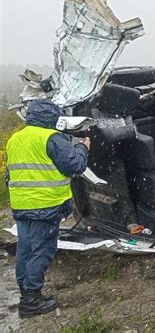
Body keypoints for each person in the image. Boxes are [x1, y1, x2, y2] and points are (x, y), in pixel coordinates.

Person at [5, 99, 89, 318]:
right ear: (52, 116)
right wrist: (82, 147)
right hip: (45, 205)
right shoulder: (51, 138)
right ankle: (31, 301)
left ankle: (27, 293)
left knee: (25, 251)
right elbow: (75, 166)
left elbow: (9, 176)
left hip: (22, 206)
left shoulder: (15, 139)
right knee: (41, 251)